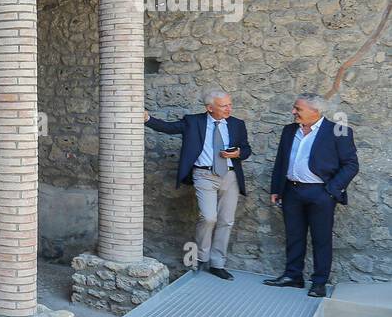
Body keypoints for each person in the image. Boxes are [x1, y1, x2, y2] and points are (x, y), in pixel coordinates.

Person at [144, 87, 252, 280]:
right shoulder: (193, 122)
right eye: (224, 106)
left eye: (230, 104)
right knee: (209, 217)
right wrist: (147, 119)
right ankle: (201, 257)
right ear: (210, 108)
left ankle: (218, 263)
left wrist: (238, 153)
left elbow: (246, 148)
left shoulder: (237, 124)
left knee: (226, 220)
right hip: (204, 175)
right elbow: (169, 127)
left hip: (230, 176)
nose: (229, 109)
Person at [264, 93, 359, 298]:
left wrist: (331, 191)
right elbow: (281, 161)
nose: (293, 112)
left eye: (298, 109)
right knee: (294, 236)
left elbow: (351, 165)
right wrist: (276, 189)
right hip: (292, 191)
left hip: (321, 193)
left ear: (315, 111)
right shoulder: (289, 130)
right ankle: (293, 276)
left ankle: (319, 283)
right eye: (294, 107)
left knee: (321, 239)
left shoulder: (338, 131)